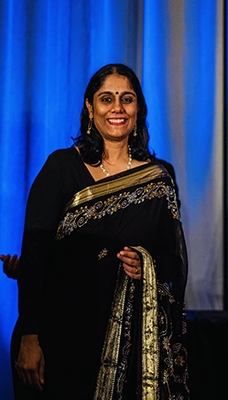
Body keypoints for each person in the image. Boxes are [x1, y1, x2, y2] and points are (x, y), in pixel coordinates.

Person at [14, 63, 189, 399]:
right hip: (60, 336)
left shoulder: (159, 178)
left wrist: (147, 264)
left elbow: (175, 263)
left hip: (131, 345)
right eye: (106, 99)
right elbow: (35, 257)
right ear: (90, 107)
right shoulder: (62, 168)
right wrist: (30, 338)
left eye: (127, 99)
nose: (117, 108)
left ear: (138, 109)